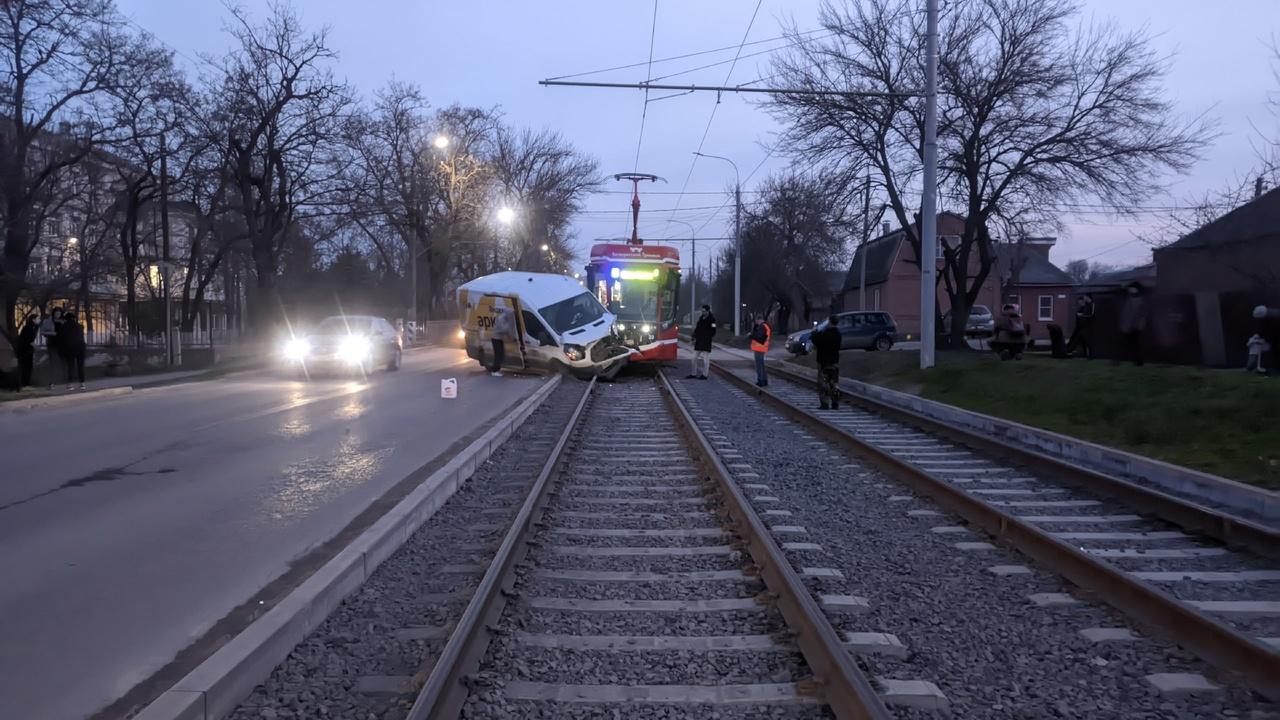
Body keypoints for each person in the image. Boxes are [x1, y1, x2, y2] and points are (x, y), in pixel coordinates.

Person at [809, 316, 842, 409]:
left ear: (830, 322)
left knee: (823, 382)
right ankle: (835, 403)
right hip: (834, 360)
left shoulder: (824, 334)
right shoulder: (838, 334)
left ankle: (825, 403)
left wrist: (815, 330)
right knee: (834, 382)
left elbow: (814, 339)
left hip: (823, 361)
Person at [1118, 282, 1148, 366]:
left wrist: (1139, 324)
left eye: (1131, 288)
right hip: (1130, 326)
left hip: (1134, 327)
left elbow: (1142, 314)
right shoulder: (1130, 298)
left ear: (1135, 289)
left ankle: (1138, 361)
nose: (1130, 290)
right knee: (1131, 344)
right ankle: (1137, 361)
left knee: (1133, 344)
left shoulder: (1139, 299)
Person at [688, 304, 716, 379]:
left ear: (708, 311)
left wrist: (706, 336)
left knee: (705, 359)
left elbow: (713, 331)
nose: (702, 312)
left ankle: (705, 375)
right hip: (699, 341)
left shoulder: (712, 320)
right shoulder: (701, 318)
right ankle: (693, 373)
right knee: (693, 358)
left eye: (704, 311)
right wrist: (693, 337)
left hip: (706, 342)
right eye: (702, 311)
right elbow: (697, 329)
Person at [60, 310, 87, 389]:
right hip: (81, 348)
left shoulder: (64, 326)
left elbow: (62, 339)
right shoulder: (80, 326)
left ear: (66, 319)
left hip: (70, 348)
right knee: (80, 366)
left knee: (71, 366)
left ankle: (70, 384)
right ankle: (82, 384)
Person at [40, 307, 63, 389]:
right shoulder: (48, 321)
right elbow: (42, 331)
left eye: (59, 313)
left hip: (62, 345)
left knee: (62, 363)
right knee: (53, 363)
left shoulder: (63, 321)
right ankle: (51, 382)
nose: (58, 314)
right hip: (52, 344)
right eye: (56, 313)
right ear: (53, 313)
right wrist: (52, 333)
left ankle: (60, 381)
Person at [16, 312, 40, 388]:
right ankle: (24, 383)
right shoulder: (28, 328)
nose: (39, 320)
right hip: (25, 351)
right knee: (26, 367)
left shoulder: (32, 327)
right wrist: (36, 347)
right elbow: (29, 340)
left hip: (26, 350)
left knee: (27, 367)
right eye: (38, 319)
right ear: (33, 320)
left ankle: (25, 383)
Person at [490, 306, 515, 377]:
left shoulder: (502, 316)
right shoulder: (503, 320)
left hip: (497, 338)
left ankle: (494, 369)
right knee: (499, 355)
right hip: (496, 339)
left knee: (500, 354)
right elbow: (505, 330)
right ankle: (495, 371)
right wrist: (511, 337)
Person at [749, 314, 771, 387]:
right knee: (761, 365)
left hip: (759, 348)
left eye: (756, 321)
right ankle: (764, 380)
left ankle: (760, 381)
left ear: (759, 320)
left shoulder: (762, 327)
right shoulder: (766, 326)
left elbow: (760, 338)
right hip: (762, 348)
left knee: (759, 366)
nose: (756, 322)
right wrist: (755, 328)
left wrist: (751, 335)